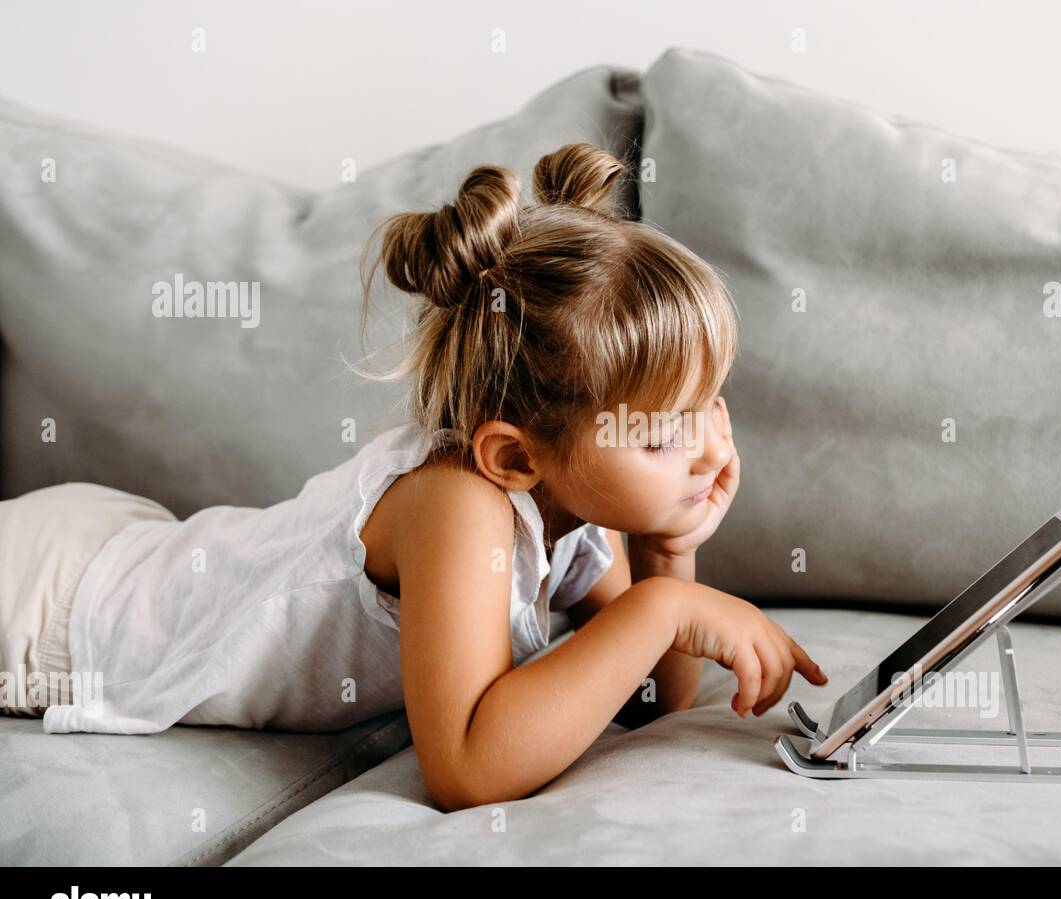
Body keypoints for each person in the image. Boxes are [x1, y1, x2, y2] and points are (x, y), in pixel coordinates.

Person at [0, 142, 826, 810]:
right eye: (659, 433)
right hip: (54, 605)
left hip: (125, 545)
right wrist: (662, 605)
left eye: (710, 404)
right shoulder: (458, 503)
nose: (710, 447)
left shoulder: (565, 506)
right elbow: (467, 770)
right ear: (513, 455)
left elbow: (647, 705)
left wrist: (668, 552)